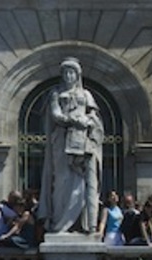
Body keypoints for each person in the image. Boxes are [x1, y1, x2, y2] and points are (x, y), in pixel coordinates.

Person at [38, 57, 104, 233]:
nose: (69, 76)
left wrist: (88, 120)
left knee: (81, 183)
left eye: (72, 72)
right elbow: (55, 114)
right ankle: (60, 222)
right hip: (61, 140)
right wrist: (72, 120)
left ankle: (80, 223)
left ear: (77, 75)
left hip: (81, 142)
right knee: (62, 180)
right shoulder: (56, 94)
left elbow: (94, 117)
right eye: (66, 72)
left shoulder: (86, 95)